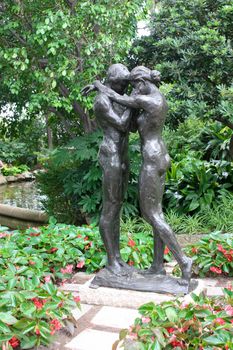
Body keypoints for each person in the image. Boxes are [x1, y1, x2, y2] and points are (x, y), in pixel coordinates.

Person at [93, 66, 192, 284]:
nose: (130, 89)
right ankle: (156, 265)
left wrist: (101, 86)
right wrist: (102, 88)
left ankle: (184, 261)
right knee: (131, 209)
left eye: (132, 85)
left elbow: (128, 114)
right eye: (123, 84)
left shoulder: (151, 100)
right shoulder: (141, 97)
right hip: (135, 156)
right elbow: (124, 122)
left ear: (141, 82)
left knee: (152, 215)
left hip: (152, 158)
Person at [82, 64, 134, 276]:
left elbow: (131, 128)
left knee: (118, 206)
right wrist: (133, 102)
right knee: (110, 208)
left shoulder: (114, 96)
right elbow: (122, 124)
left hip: (122, 155)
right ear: (114, 82)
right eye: (123, 83)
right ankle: (111, 261)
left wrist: (130, 101)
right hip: (110, 154)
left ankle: (118, 258)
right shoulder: (102, 101)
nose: (125, 87)